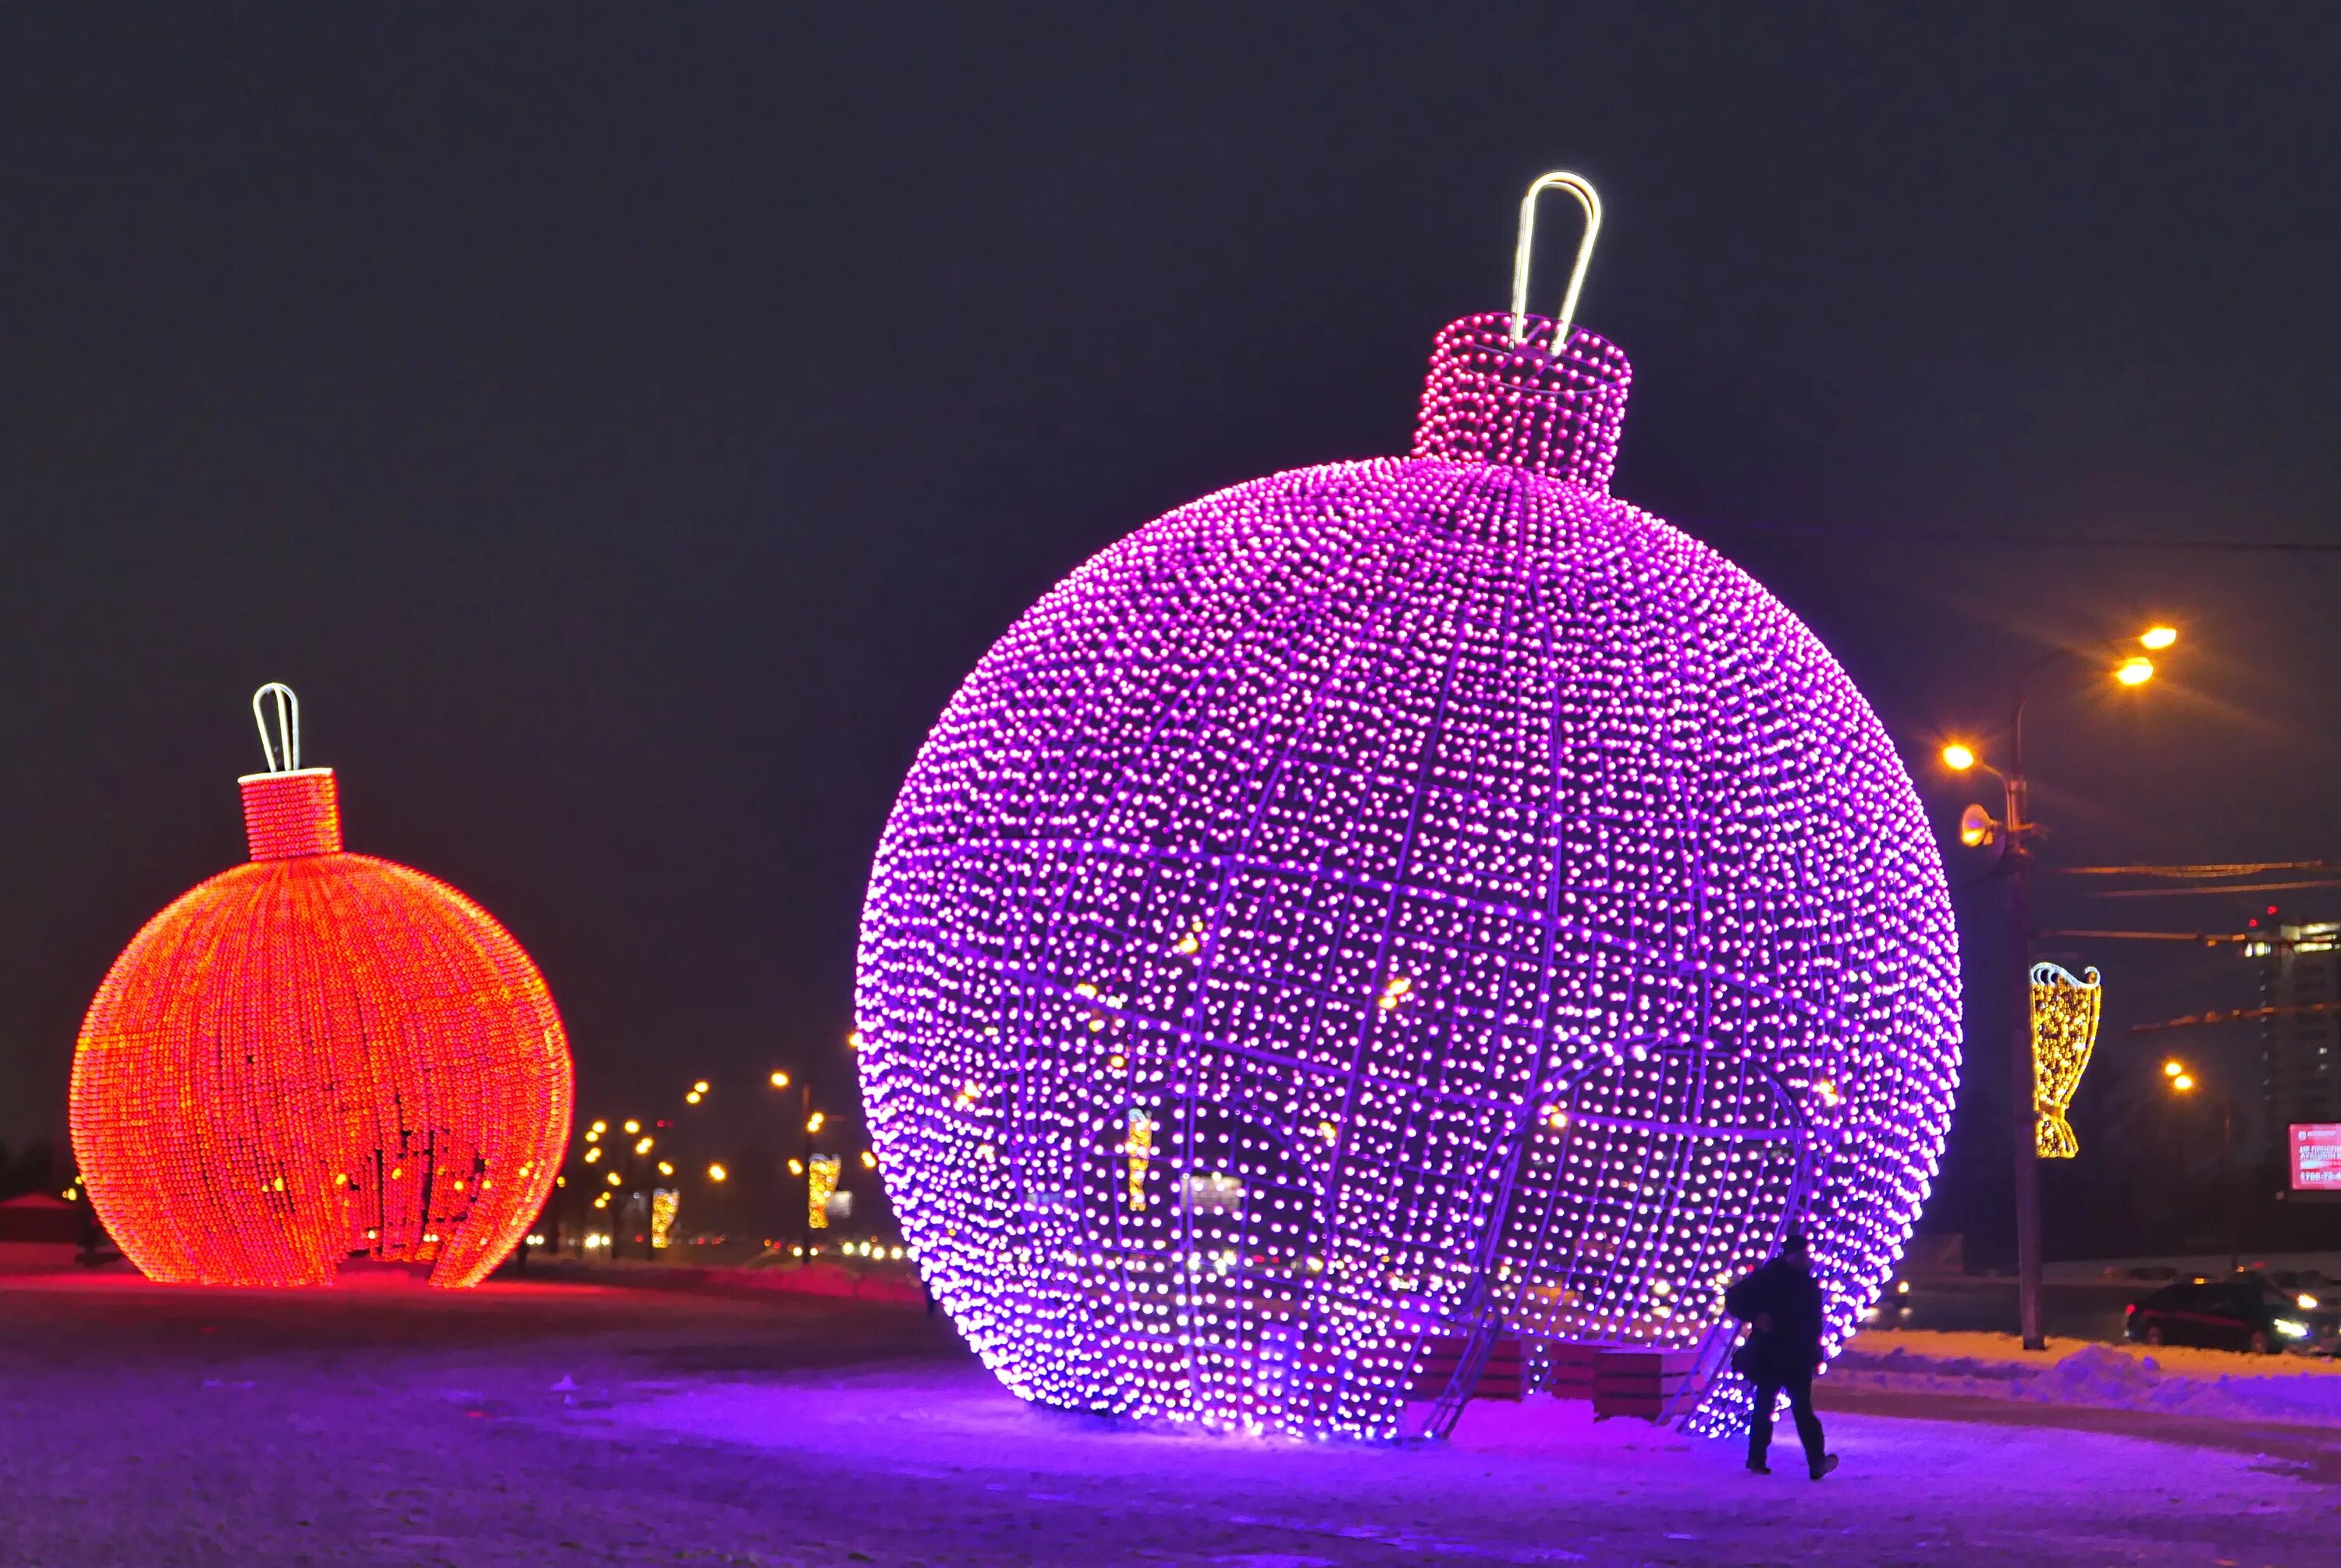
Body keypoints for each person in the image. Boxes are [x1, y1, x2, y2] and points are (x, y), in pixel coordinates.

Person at [1724, 1229, 1839, 1479]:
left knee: (1795, 1409)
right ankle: (1762, 1458)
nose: (1805, 1259)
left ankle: (1812, 1461)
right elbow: (1734, 1298)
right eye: (1800, 1254)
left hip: (1795, 1355)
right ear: (1788, 1256)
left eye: (1806, 1254)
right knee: (1772, 1407)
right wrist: (1757, 1315)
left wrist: (1815, 1354)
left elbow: (1813, 1325)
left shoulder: (1807, 1284)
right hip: (1775, 1353)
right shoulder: (1771, 1278)